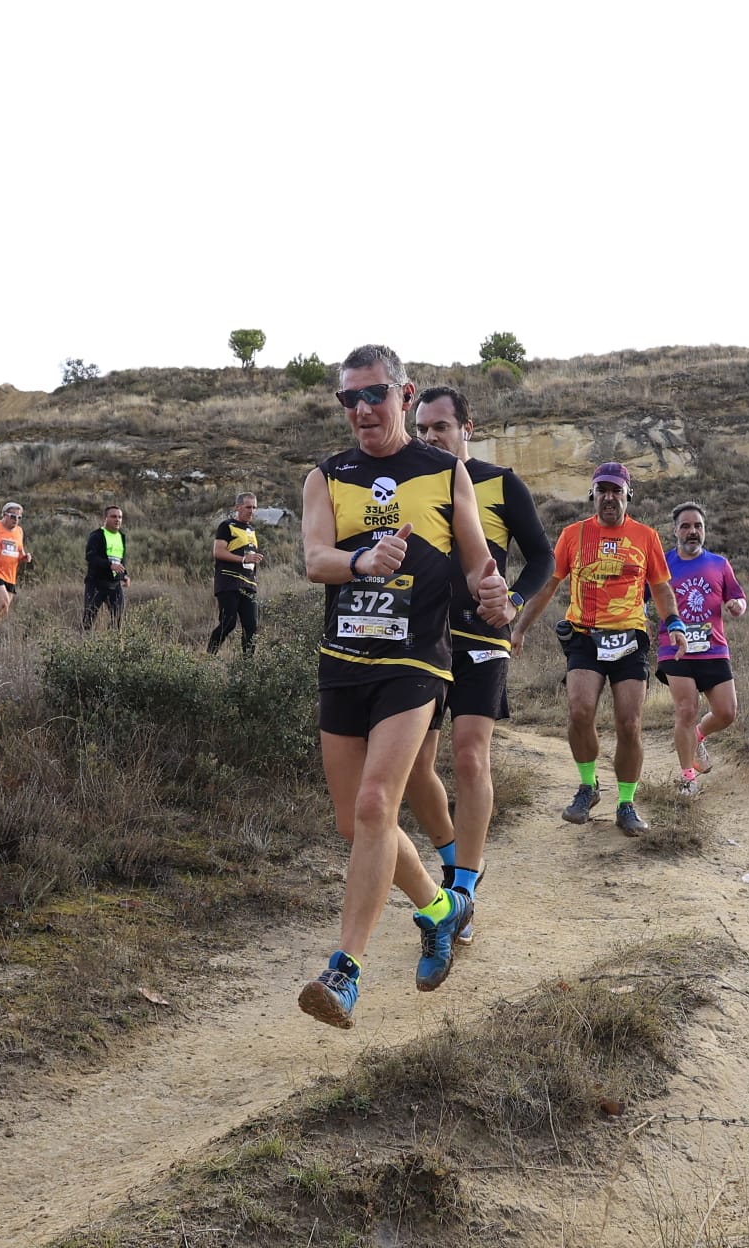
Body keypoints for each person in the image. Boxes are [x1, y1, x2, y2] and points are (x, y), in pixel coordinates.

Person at [296, 345, 510, 1029]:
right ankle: (442, 907)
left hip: (416, 661)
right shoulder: (327, 477)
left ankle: (344, 972)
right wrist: (362, 558)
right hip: (343, 659)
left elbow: (478, 564)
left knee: (373, 804)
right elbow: (315, 559)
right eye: (348, 399)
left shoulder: (446, 472)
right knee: (355, 823)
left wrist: (495, 593)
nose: (362, 410)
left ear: (406, 394)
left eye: (375, 395)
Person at [404, 386, 551, 943]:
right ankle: (452, 867)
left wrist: (512, 604)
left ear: (468, 427)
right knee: (417, 770)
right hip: (419, 643)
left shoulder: (500, 482)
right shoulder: (411, 481)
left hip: (481, 639)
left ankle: (463, 890)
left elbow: (542, 556)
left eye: (441, 427)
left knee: (469, 758)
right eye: (422, 429)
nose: (430, 437)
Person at [511, 462, 684, 837]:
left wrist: (675, 625)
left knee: (630, 723)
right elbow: (548, 586)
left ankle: (626, 803)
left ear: (627, 495)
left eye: (616, 490)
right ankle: (588, 787)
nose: (609, 497)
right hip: (584, 636)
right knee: (580, 710)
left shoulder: (646, 536)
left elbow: (662, 589)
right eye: (602, 490)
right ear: (593, 495)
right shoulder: (573, 535)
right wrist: (520, 627)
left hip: (629, 637)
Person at [654, 502, 748, 796]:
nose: (692, 531)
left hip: (714, 649)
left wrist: (737, 606)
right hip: (675, 650)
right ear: (674, 530)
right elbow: (640, 594)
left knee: (726, 712)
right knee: (686, 709)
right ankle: (687, 778)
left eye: (698, 526)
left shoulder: (719, 564)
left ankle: (698, 737)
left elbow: (738, 598)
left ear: (704, 530)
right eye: (685, 526)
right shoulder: (662, 563)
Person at [206, 493, 263, 654]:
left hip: (249, 585)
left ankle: (247, 667)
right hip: (229, 582)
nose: (251, 511)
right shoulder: (227, 526)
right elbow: (218, 552)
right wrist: (244, 559)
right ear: (237, 507)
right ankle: (209, 657)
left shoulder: (252, 530)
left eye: (254, 507)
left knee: (251, 626)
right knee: (228, 623)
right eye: (248, 507)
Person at [82, 504, 131, 630]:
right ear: (105, 518)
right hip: (96, 584)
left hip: (114, 585)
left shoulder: (121, 536)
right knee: (89, 618)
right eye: (113, 516)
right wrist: (109, 565)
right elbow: (90, 557)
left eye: (120, 517)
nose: (117, 520)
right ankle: (83, 645)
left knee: (118, 619)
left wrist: (124, 574)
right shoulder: (97, 535)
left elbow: (121, 558)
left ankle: (112, 646)